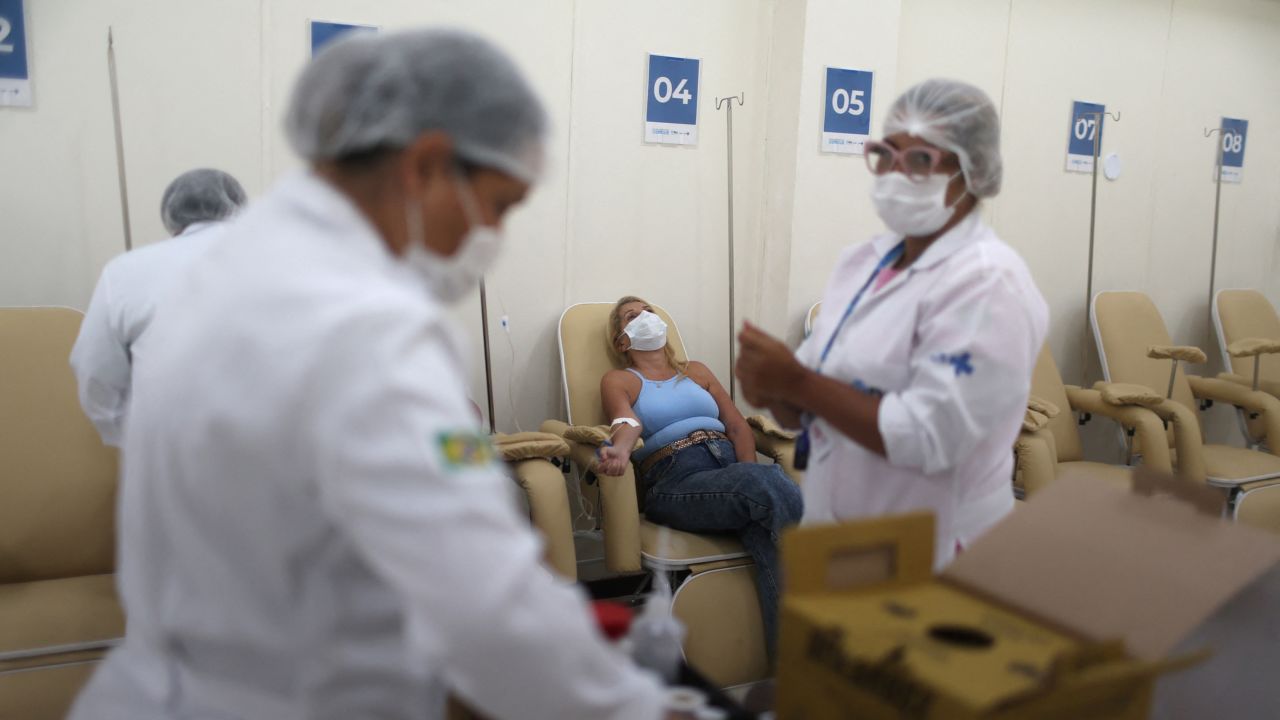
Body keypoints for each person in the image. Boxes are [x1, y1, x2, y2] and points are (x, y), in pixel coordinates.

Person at [70, 30, 677, 720]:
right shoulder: (368, 326)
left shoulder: (206, 278)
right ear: (423, 166)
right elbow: (483, 597)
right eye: (498, 204)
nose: (492, 236)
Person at [735, 78, 1048, 567]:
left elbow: (929, 436)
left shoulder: (988, 283)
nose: (895, 174)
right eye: (886, 155)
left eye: (920, 159)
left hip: (938, 552)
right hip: (838, 536)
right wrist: (774, 393)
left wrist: (795, 381)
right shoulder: (863, 263)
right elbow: (812, 400)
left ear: (971, 171)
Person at [597, 296, 803, 658]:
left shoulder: (697, 372)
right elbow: (626, 422)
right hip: (676, 479)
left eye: (648, 311)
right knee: (770, 484)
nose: (644, 317)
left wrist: (747, 471)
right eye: (632, 316)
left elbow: (737, 426)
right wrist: (621, 449)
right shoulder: (621, 379)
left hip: (730, 473)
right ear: (622, 340)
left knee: (768, 532)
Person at [69, 168, 247, 446]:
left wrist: (126, 437)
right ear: (239, 210)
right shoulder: (288, 263)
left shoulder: (125, 271)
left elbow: (94, 368)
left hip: (170, 450)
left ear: (172, 218)